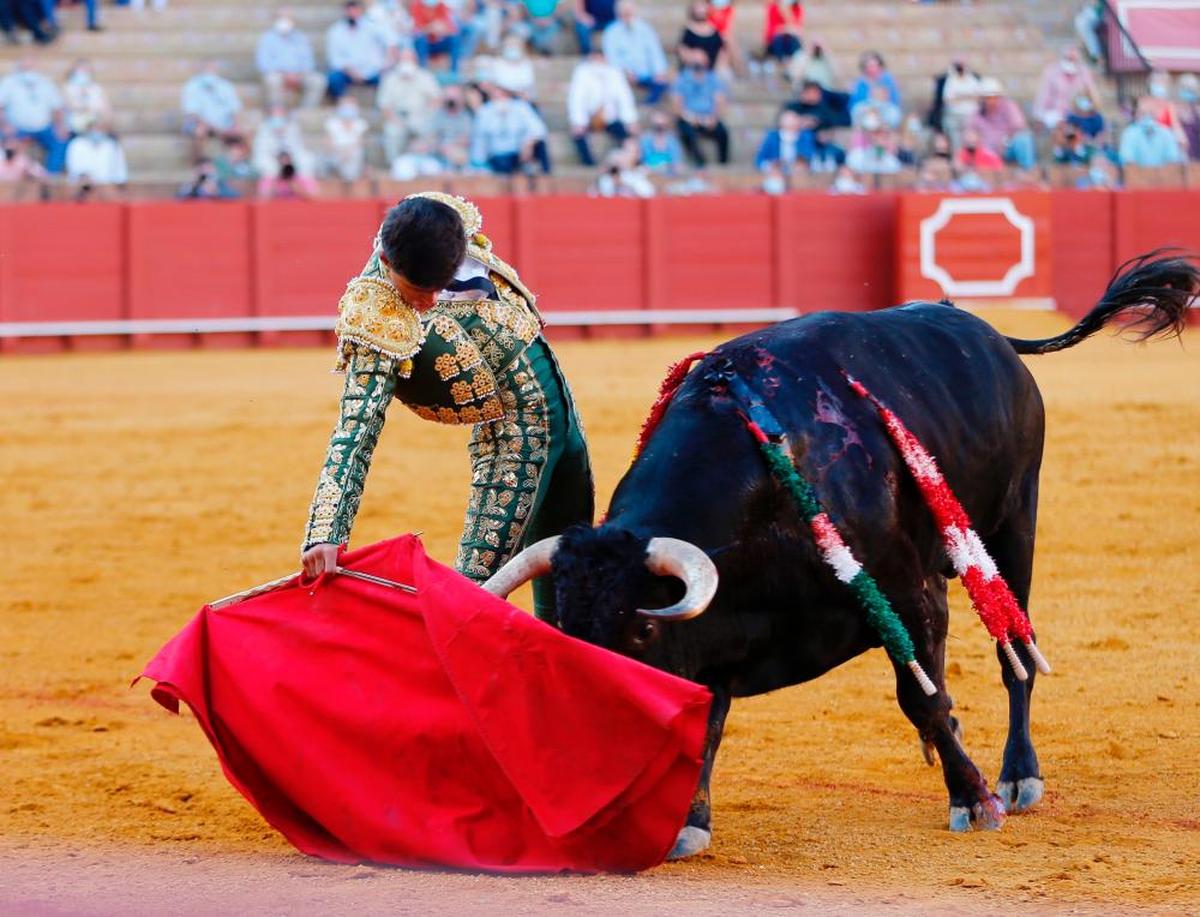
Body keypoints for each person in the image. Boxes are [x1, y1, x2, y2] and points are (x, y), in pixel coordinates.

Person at [300, 192, 594, 622]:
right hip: (513, 435)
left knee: (572, 566)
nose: (431, 301)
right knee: (471, 600)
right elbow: (356, 428)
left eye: (439, 286)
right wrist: (326, 531)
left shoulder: (441, 224)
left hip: (561, 408)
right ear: (386, 258)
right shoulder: (375, 315)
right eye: (418, 291)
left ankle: (567, 675)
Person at [566, 40, 637, 165]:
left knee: (627, 136)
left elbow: (624, 98)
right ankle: (589, 164)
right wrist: (578, 121)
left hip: (610, 117)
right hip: (589, 117)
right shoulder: (582, 73)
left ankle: (629, 162)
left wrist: (630, 119)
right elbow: (576, 99)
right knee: (578, 135)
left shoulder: (614, 73)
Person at [470, 79, 550, 176]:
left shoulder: (521, 107)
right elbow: (480, 142)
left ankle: (543, 178)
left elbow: (539, 130)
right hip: (496, 158)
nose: (498, 94)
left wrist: (529, 143)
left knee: (540, 145)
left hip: (519, 155)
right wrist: (478, 165)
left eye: (502, 92)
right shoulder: (484, 112)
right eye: (496, 91)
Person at [0, 58, 68, 171]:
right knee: (4, 139)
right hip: (16, 128)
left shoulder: (46, 83)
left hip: (43, 128)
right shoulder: (9, 82)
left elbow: (57, 108)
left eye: (31, 67)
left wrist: (60, 126)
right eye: (25, 67)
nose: (28, 71)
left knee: (60, 140)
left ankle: (50, 175)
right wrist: (4, 124)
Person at [377, 47, 442, 162]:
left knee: (429, 130)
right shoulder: (390, 79)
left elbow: (436, 99)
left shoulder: (425, 77)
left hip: (421, 116)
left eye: (409, 59)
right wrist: (396, 121)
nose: (406, 62)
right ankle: (395, 165)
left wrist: (427, 115)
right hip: (397, 118)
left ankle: (428, 164)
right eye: (403, 59)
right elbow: (384, 106)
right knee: (392, 132)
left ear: (415, 61)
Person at [257, 7, 325, 109]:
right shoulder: (267, 39)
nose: (284, 20)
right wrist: (285, 74)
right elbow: (263, 64)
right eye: (281, 17)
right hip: (278, 74)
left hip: (300, 74)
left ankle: (306, 111)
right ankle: (277, 111)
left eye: (287, 17)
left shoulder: (301, 38)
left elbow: (308, 62)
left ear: (292, 20)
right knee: (271, 80)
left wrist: (297, 74)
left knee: (318, 80)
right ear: (275, 19)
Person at [672, 46, 730, 167]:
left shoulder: (713, 79)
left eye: (701, 61)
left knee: (723, 132)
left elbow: (720, 101)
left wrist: (713, 118)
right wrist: (689, 117)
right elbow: (677, 105)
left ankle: (723, 165)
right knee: (686, 132)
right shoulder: (682, 79)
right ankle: (700, 164)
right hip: (688, 118)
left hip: (708, 118)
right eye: (695, 60)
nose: (698, 64)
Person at [602, 1, 668, 104]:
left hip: (647, 74)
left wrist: (659, 71)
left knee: (665, 83)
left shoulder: (646, 29)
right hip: (625, 75)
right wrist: (625, 72)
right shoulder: (611, 32)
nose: (627, 15)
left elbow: (655, 52)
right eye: (624, 13)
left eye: (629, 12)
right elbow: (612, 58)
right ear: (618, 13)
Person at [327, 0, 392, 100]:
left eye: (355, 11)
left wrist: (385, 63)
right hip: (348, 72)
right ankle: (343, 102)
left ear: (361, 11)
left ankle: (382, 105)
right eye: (350, 11)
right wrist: (350, 71)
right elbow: (335, 58)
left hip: (371, 71)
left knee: (388, 78)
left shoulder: (372, 27)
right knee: (333, 78)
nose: (352, 14)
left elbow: (390, 42)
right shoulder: (336, 31)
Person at [969, 77, 1036, 171]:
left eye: (994, 97)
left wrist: (1005, 141)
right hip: (987, 152)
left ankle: (1027, 171)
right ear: (982, 99)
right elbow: (970, 134)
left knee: (1023, 139)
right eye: (988, 98)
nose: (991, 101)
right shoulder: (977, 113)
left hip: (1008, 148)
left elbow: (1019, 126)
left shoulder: (1008, 106)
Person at [181, 60, 242, 161]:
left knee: (243, 132)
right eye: (207, 69)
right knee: (200, 131)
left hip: (224, 124)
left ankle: (241, 164)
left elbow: (235, 109)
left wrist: (235, 125)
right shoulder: (192, 86)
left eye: (212, 69)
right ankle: (199, 162)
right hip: (202, 123)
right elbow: (192, 114)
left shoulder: (225, 85)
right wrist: (215, 128)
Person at [1032, 48, 1096, 132]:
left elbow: (1091, 96)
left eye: (1074, 59)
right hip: (1055, 114)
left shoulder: (1084, 73)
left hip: (1078, 113)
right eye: (1069, 58)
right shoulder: (1052, 72)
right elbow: (1043, 97)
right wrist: (1039, 117)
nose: (1071, 62)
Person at [252, 104, 314, 178]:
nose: (278, 117)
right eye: (275, 114)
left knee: (306, 160)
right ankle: (272, 187)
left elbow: (297, 146)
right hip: (271, 157)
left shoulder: (292, 127)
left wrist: (288, 156)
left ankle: (303, 186)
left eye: (280, 113)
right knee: (269, 167)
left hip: (291, 156)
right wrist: (278, 157)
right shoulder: (263, 128)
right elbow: (261, 149)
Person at [64, 121, 127, 194]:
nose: (97, 132)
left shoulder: (111, 145)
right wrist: (84, 176)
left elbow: (120, 171)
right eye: (94, 128)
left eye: (99, 129)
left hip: (107, 186)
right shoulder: (77, 144)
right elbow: (74, 167)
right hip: (83, 186)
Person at [1119, 102, 1183, 168]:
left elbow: (1173, 160)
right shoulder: (1130, 134)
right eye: (1143, 113)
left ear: (1157, 114)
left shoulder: (1166, 133)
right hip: (1138, 176)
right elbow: (1128, 161)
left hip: (1164, 176)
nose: (1147, 117)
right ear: (1137, 115)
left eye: (1151, 113)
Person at [938, 59, 982, 146]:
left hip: (970, 115)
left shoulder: (972, 80)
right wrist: (967, 97)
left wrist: (959, 97)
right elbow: (947, 100)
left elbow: (978, 97)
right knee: (956, 141)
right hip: (954, 116)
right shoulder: (951, 81)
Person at [325, 96, 370, 181]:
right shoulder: (332, 123)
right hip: (336, 152)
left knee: (354, 162)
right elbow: (328, 142)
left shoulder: (360, 123)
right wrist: (340, 152)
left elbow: (360, 142)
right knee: (333, 161)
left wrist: (348, 152)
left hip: (353, 152)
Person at [61, 60, 110, 136]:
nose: (83, 72)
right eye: (81, 69)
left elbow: (106, 109)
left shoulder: (96, 88)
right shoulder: (67, 87)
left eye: (86, 70)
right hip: (75, 127)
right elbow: (69, 106)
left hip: (95, 127)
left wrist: (103, 122)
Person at [410, 0, 461, 72]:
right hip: (425, 44)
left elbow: (451, 29)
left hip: (438, 42)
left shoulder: (441, 6)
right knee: (421, 40)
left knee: (454, 39)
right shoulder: (417, 5)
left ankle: (454, 71)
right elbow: (416, 31)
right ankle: (423, 71)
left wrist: (443, 29)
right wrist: (430, 28)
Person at [678, 1, 724, 71]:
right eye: (698, 6)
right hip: (693, 71)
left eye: (702, 6)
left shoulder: (715, 31)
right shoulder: (688, 30)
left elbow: (722, 52)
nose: (700, 10)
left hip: (712, 72)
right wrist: (694, 56)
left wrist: (719, 67)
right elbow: (682, 51)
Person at [640, 109, 684, 174]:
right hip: (650, 172)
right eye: (657, 124)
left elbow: (677, 160)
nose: (659, 126)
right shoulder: (646, 138)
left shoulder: (672, 139)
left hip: (669, 173)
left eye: (661, 123)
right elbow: (644, 159)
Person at [1177, 73, 1200, 161]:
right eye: (1185, 88)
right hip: (1179, 156)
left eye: (1191, 89)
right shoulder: (1175, 110)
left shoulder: (1198, 111)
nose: (1188, 92)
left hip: (1196, 154)